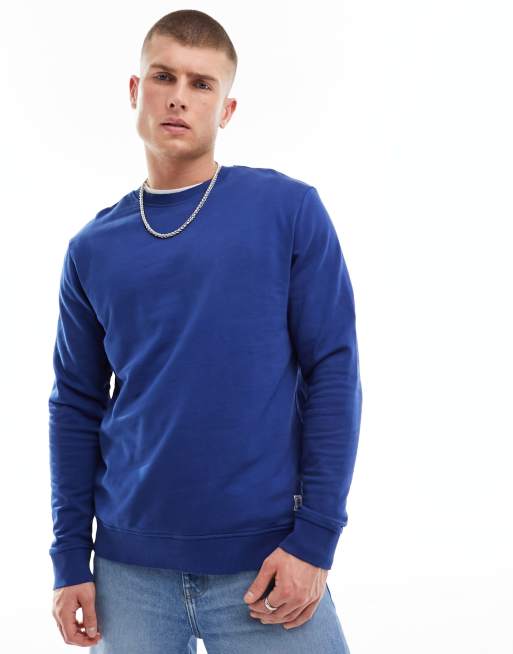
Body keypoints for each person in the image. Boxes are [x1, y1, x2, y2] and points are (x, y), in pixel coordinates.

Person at [48, 9, 362, 653]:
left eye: (201, 84)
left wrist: (316, 540)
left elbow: (334, 372)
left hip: (267, 566)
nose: (178, 97)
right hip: (127, 575)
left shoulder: (287, 211)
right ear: (135, 90)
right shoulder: (92, 248)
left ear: (227, 108)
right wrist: (70, 558)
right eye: (163, 77)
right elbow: (76, 405)